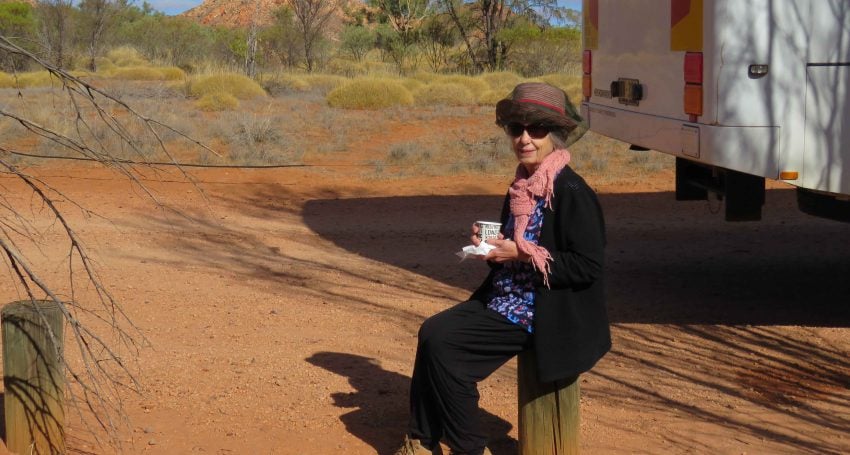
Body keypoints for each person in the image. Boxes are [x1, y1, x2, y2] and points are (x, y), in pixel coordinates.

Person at [394, 82, 611, 455]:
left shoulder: (572, 191)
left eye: (537, 129)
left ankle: (468, 447)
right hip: (507, 297)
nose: (525, 138)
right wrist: (490, 242)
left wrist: (522, 255)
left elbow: (589, 266)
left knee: (447, 350)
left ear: (555, 136)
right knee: (431, 332)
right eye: (516, 129)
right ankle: (421, 440)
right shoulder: (522, 186)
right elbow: (516, 241)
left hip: (541, 311)